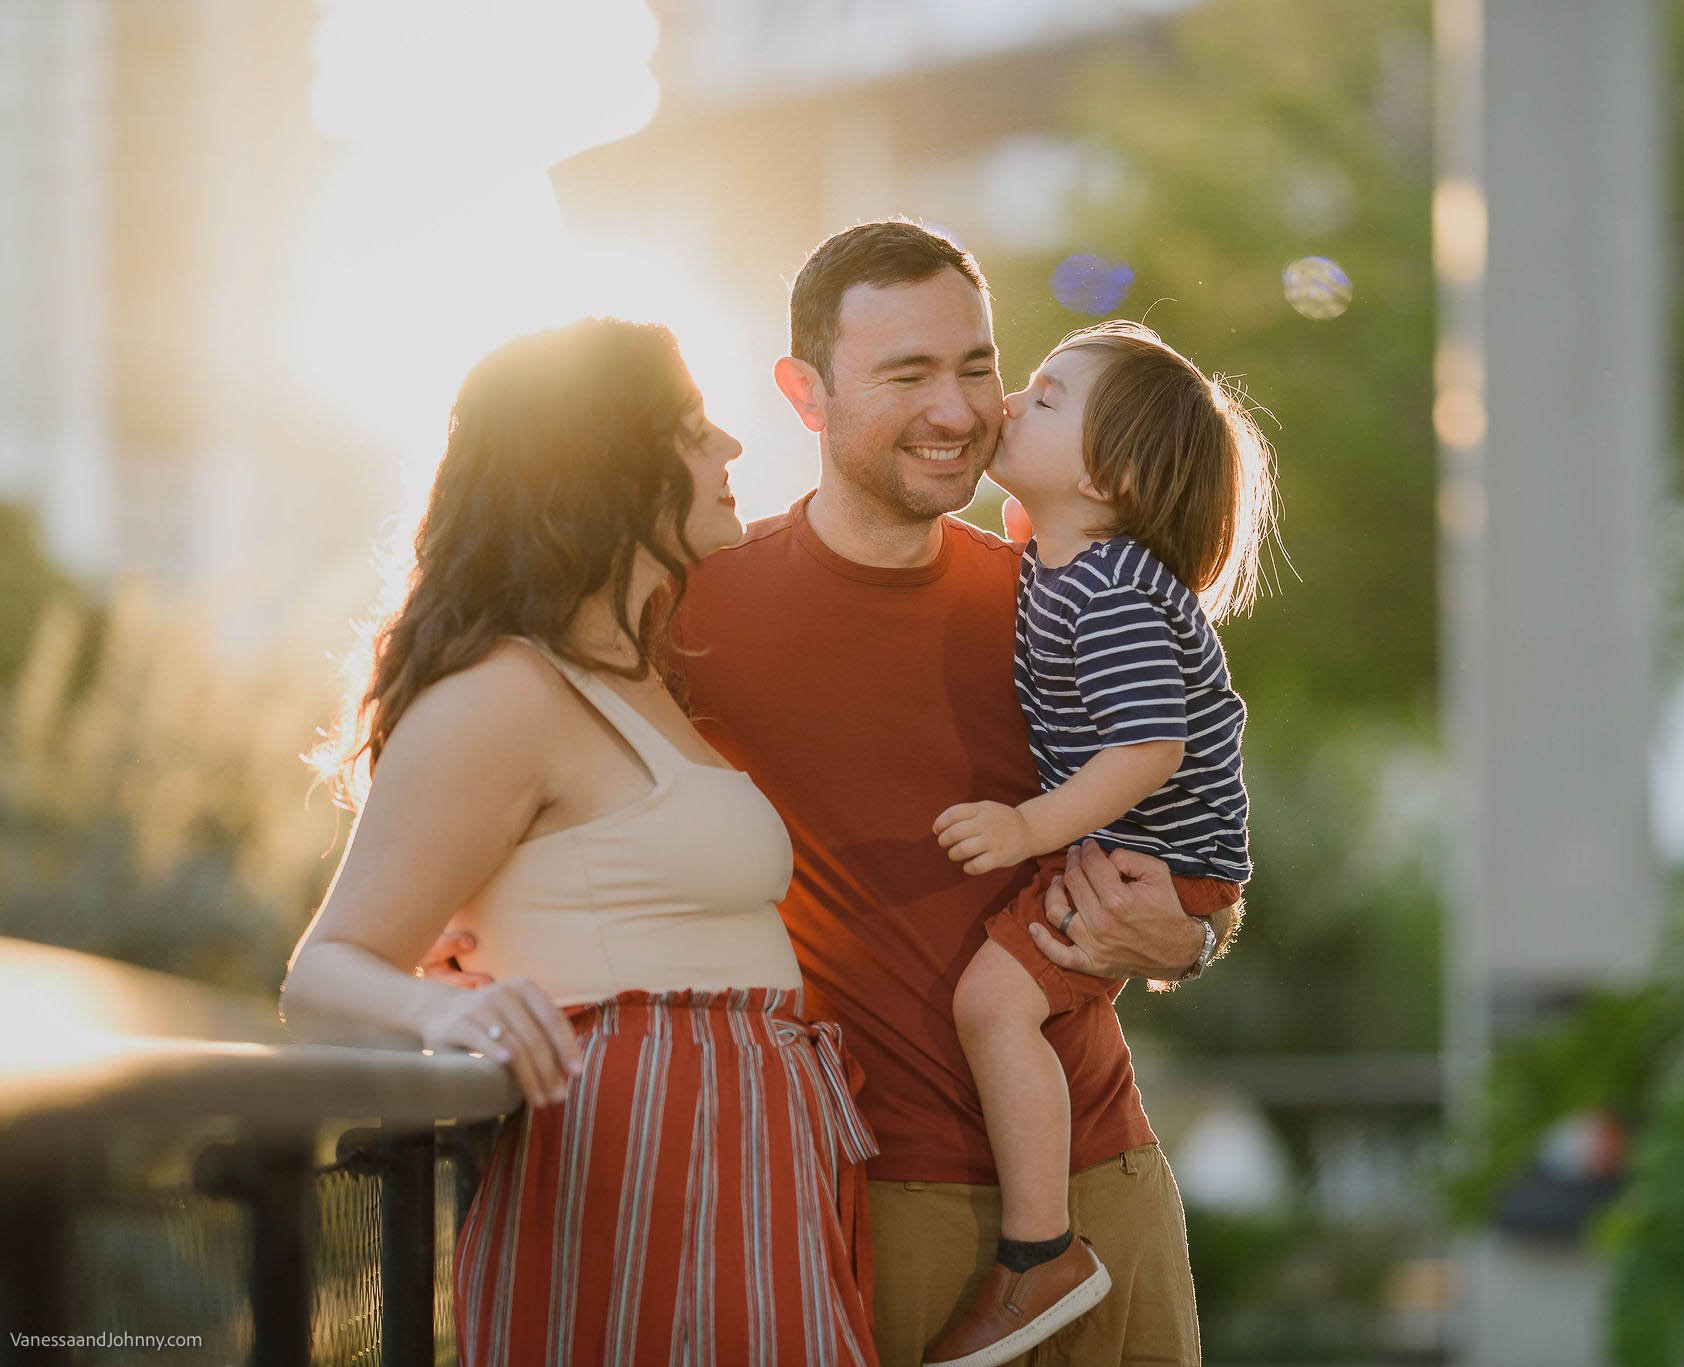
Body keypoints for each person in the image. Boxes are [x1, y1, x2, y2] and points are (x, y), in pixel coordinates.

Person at [661, 221, 1242, 1366]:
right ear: (805, 393)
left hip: (1109, 1183)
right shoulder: (701, 611)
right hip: (880, 1198)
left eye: (976, 365)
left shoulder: (1056, 598)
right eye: (907, 373)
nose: (958, 408)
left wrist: (1189, 937)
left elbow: (1188, 813)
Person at [281, 318, 879, 1367]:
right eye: (692, 428)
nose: (730, 448)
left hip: (756, 1154)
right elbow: (324, 970)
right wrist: (450, 1009)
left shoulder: (642, 675)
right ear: (607, 458)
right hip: (632, 1166)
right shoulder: (504, 694)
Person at [923, 320, 1275, 1366]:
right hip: (1135, 851)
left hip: (1156, 862)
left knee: (992, 1002)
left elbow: (1148, 746)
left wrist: (1028, 827)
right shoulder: (1055, 561)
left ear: (1111, 475)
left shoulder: (1109, 585)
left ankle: (1039, 1251)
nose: (1010, 403)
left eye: (1044, 396)